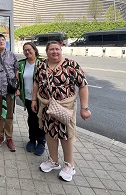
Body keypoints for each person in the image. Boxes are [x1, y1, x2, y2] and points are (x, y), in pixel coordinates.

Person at [31, 41, 91, 182]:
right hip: (47, 107)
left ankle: (69, 165)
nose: (55, 52)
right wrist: (34, 100)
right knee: (50, 132)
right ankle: (53, 160)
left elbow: (83, 85)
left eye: (57, 49)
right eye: (51, 49)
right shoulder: (41, 65)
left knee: (66, 134)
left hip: (65, 107)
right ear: (47, 52)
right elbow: (36, 83)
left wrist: (84, 107)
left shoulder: (71, 65)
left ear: (61, 50)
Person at [18, 42, 46, 155]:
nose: (27, 52)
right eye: (25, 50)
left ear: (34, 50)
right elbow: (18, 78)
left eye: (29, 49)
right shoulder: (21, 64)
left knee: (41, 119)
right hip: (28, 97)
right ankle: (32, 140)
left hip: (41, 98)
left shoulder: (42, 62)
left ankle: (41, 142)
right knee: (32, 119)